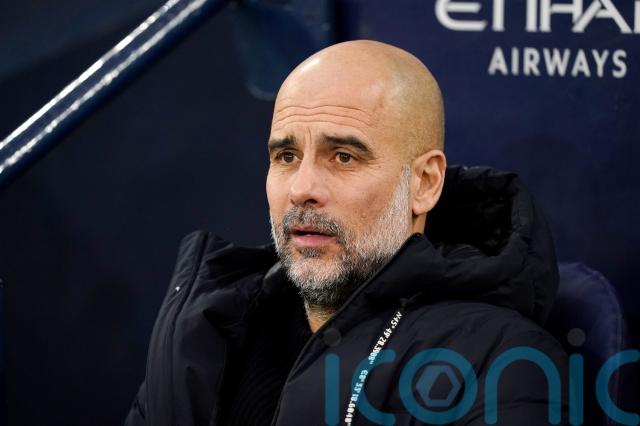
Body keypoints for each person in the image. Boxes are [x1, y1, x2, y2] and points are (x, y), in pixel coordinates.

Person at [125, 40, 568, 425]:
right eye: (286, 156)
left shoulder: (499, 363)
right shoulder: (204, 329)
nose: (302, 189)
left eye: (343, 157)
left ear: (424, 183)